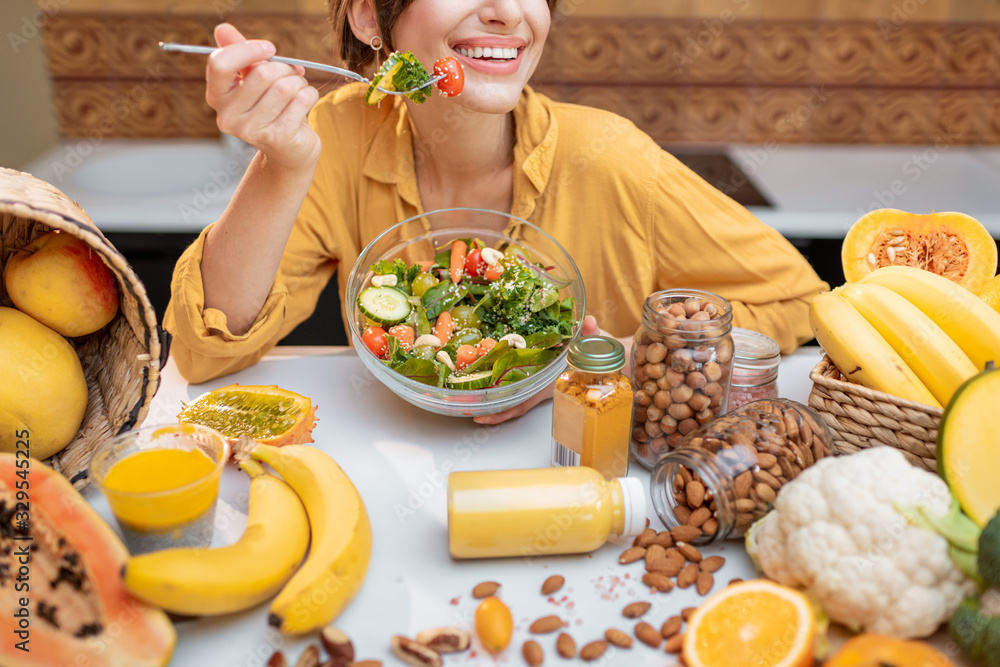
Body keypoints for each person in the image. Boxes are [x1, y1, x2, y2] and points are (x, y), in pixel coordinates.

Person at [163, 0, 828, 424]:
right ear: (370, 17)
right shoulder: (336, 136)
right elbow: (204, 351)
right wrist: (281, 164)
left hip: (589, 476)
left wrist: (612, 356)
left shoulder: (611, 158)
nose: (510, 12)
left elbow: (799, 303)